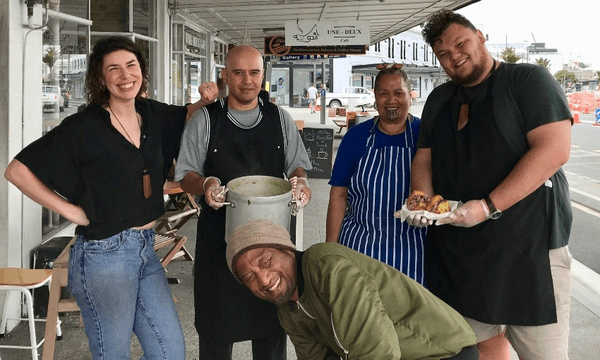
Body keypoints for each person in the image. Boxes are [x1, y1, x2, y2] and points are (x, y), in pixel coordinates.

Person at [4, 36, 219, 359]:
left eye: (131, 65)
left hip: (146, 247)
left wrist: (210, 97)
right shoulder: (83, 126)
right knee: (113, 354)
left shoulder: (151, 114)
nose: (125, 75)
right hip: (104, 255)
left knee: (169, 351)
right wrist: (72, 213)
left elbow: (189, 113)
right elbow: (17, 171)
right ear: (100, 78)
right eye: (113, 69)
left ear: (142, 71)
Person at [409, 10, 573, 360]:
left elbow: (554, 149)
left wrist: (487, 207)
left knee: (545, 354)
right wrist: (421, 199)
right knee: (479, 347)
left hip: (530, 252)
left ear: (480, 37)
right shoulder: (439, 99)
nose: (454, 56)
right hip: (460, 253)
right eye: (443, 53)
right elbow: (424, 157)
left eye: (460, 43)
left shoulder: (528, 80)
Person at [174, 45, 312, 360]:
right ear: (225, 75)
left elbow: (297, 167)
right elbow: (186, 175)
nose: (247, 81)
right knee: (216, 336)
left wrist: (301, 183)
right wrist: (206, 183)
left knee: (271, 338)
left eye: (254, 72)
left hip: (273, 252)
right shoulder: (205, 121)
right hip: (219, 253)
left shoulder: (280, 119)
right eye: (238, 72)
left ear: (263, 76)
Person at [226, 219, 479, 360]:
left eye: (265, 261)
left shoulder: (325, 265)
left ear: (286, 249)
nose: (264, 278)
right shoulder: (287, 310)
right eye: (249, 276)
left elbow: (377, 352)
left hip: (442, 352)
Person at [325, 65, 427, 285]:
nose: (391, 100)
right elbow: (338, 196)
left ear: (410, 95)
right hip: (361, 246)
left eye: (398, 93)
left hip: (412, 251)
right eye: (383, 93)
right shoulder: (356, 137)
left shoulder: (425, 134)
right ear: (375, 97)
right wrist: (331, 249)